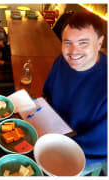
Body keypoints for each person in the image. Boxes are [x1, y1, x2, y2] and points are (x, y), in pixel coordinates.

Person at [43, 12, 107, 176]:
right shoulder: (62, 61)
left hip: (83, 152)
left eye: (83, 43)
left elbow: (100, 145)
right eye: (67, 43)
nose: (73, 51)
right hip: (52, 131)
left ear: (99, 43)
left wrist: (52, 145)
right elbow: (48, 94)